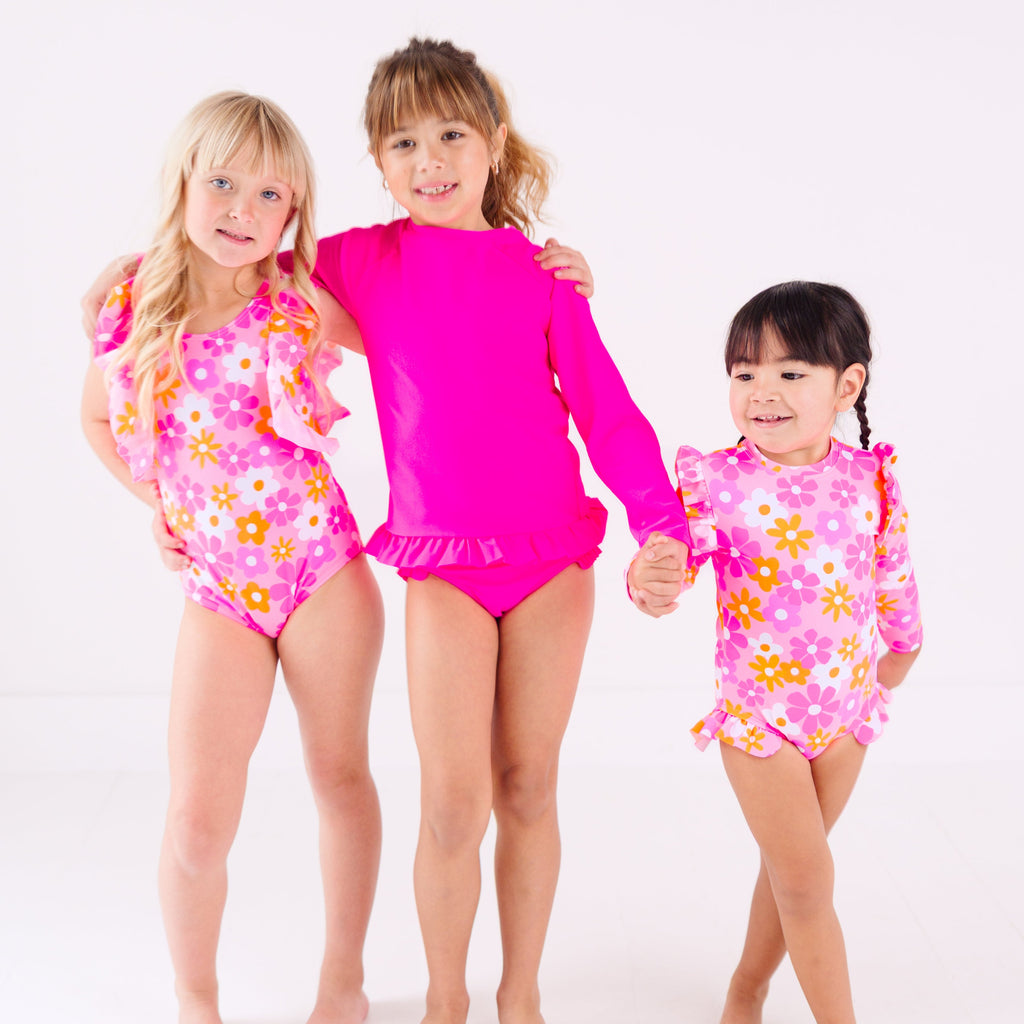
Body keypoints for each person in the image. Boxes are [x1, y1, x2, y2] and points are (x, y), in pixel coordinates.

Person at [292, 37, 690, 1024]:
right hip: (442, 565)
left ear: (494, 142)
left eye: (451, 135)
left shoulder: (542, 272)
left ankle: (520, 995)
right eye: (402, 144)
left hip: (552, 558)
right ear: (377, 161)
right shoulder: (362, 259)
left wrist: (661, 527)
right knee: (451, 803)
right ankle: (446, 1000)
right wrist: (132, 276)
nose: (428, 161)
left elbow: (608, 415)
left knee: (528, 786)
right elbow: (241, 259)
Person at [81, 91, 387, 1024]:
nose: (242, 212)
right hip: (220, 587)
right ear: (183, 180)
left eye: (269, 196)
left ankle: (343, 984)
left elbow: (422, 336)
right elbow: (97, 420)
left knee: (339, 777)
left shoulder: (298, 298)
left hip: (323, 569)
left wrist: (543, 282)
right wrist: (159, 505)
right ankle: (196, 1000)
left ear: (293, 212)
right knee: (196, 821)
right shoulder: (133, 301)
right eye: (222, 184)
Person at [629, 281, 923, 1024]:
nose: (762, 391)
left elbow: (892, 572)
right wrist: (649, 578)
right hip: (761, 720)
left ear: (846, 386)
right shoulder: (716, 482)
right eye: (745, 372)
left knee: (794, 871)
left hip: (847, 713)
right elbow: (673, 563)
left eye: (791, 372)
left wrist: (902, 650)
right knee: (807, 881)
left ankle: (746, 988)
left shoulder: (869, 479)